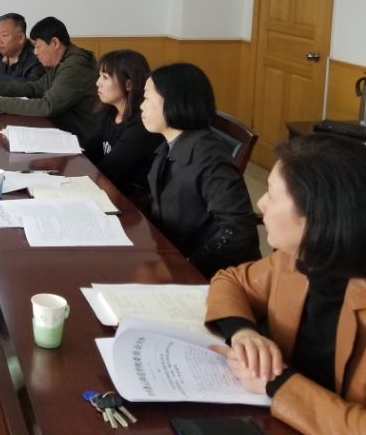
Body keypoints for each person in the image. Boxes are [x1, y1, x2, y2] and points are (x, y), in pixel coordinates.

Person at [205, 134, 366, 435]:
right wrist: (244, 333)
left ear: (318, 215)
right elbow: (231, 280)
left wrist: (278, 384)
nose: (260, 203)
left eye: (272, 194)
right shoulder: (296, 259)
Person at [140, 62, 260, 277]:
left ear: (173, 102)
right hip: (171, 255)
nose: (141, 106)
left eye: (147, 98)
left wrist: (188, 266)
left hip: (215, 276)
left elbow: (238, 230)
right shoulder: (170, 144)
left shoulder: (210, 157)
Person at [0, 16, 101, 143]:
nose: (35, 52)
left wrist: (0, 103)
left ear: (55, 43)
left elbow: (47, 106)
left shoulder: (74, 66)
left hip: (83, 139)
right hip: (63, 130)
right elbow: (36, 87)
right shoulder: (61, 62)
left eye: (38, 46)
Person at [83, 49, 163, 203]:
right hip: (109, 189)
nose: (98, 83)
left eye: (105, 77)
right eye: (99, 76)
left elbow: (110, 170)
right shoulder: (111, 113)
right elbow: (90, 152)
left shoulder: (141, 126)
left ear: (128, 84)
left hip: (132, 200)